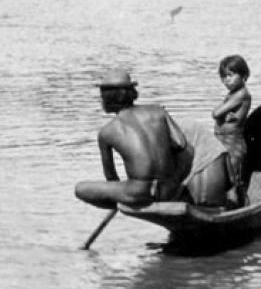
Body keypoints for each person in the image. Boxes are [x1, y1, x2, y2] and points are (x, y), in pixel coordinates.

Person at [74, 69, 194, 209]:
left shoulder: (107, 132)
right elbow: (182, 144)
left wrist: (123, 191)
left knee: (80, 188)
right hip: (169, 189)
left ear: (107, 99)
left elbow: (111, 177)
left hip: (139, 193)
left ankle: (123, 204)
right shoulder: (158, 110)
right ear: (132, 94)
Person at [211, 54, 252, 207]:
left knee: (234, 181)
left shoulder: (242, 94)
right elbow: (220, 115)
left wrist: (220, 114)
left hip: (233, 144)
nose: (226, 80)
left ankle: (241, 209)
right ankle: (230, 207)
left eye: (230, 75)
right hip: (223, 142)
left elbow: (215, 113)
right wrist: (222, 116)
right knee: (225, 179)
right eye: (223, 77)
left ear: (244, 75)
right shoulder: (232, 95)